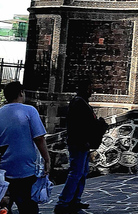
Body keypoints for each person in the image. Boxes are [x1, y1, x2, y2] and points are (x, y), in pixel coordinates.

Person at [54, 78, 107, 214]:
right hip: (78, 144)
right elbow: (80, 126)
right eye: (89, 88)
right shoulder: (79, 103)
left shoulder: (82, 103)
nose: (91, 91)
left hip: (82, 144)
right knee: (75, 173)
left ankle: (74, 200)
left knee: (82, 172)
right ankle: (63, 202)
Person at [0, 81, 50, 214]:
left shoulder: (0, 112)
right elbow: (39, 138)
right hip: (25, 168)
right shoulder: (29, 110)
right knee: (28, 206)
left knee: (4, 206)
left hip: (4, 169)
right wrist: (46, 159)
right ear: (21, 93)